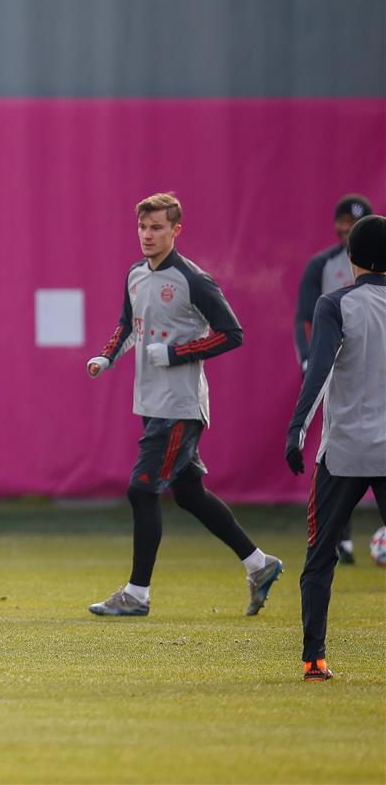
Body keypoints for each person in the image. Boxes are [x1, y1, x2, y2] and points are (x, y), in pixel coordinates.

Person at [85, 193, 281, 618]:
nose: (147, 235)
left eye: (157, 227)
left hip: (181, 405)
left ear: (176, 230)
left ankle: (137, 595)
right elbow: (127, 323)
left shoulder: (194, 279)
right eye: (142, 227)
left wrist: (177, 354)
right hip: (151, 401)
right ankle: (259, 564)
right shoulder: (135, 275)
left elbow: (232, 333)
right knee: (189, 494)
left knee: (141, 490)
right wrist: (107, 355)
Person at [284, 214, 386, 681]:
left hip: (344, 451)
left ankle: (314, 657)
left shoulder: (336, 304)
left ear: (351, 259)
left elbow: (318, 370)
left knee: (321, 555)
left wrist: (296, 429)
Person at [293, 193, 373, 563]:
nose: (346, 228)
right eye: (343, 220)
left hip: (375, 364)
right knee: (339, 444)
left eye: (354, 223)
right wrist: (309, 361)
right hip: (336, 368)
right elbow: (304, 319)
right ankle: (339, 536)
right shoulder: (322, 265)